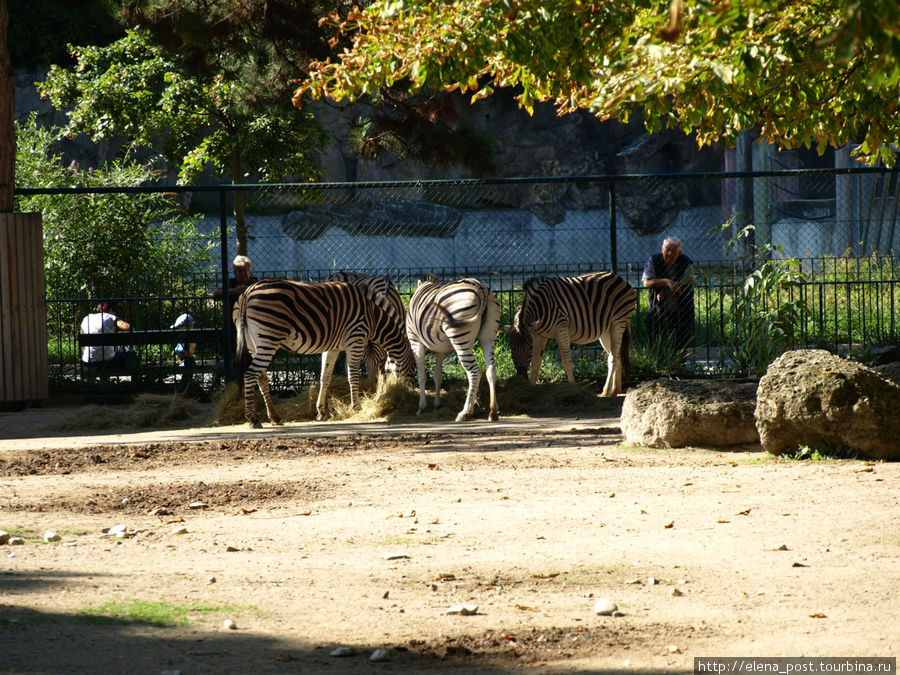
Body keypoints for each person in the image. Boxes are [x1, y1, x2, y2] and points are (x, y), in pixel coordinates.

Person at [642, 236, 695, 351]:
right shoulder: (654, 260)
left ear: (679, 252)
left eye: (674, 251)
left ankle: (679, 364)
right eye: (667, 249)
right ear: (662, 249)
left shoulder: (686, 262)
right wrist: (666, 282)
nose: (670, 253)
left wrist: (668, 289)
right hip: (658, 308)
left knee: (681, 341)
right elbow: (646, 282)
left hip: (682, 309)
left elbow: (690, 280)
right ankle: (656, 362)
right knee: (654, 338)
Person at [80, 300, 134, 370]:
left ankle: (92, 380)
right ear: (111, 310)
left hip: (88, 363)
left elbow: (82, 343)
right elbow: (128, 327)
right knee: (126, 351)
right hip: (108, 364)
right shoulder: (110, 317)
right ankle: (105, 380)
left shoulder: (86, 318)